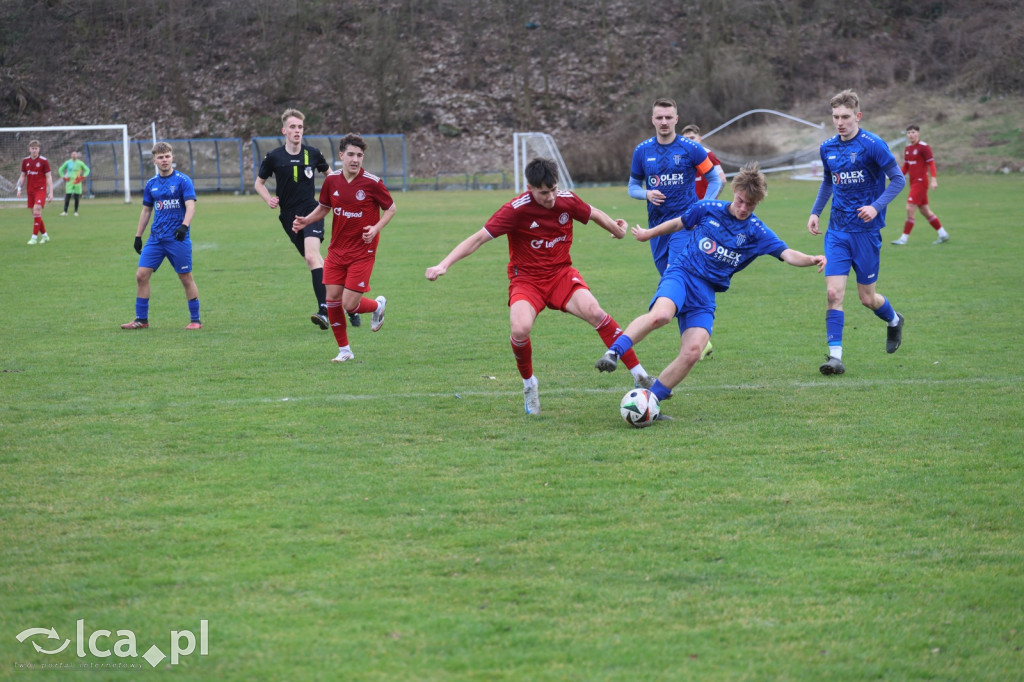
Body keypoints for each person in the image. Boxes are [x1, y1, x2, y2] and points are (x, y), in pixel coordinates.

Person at [426, 157, 654, 416]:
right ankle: (529, 384)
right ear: (530, 188)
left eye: (554, 189)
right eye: (544, 192)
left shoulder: (567, 200)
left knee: (595, 312)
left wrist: (617, 230)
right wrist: (444, 264)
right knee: (520, 329)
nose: (550, 197)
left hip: (560, 275)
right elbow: (478, 238)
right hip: (526, 280)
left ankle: (640, 375)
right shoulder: (515, 209)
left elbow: (594, 213)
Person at [596, 163, 826, 417]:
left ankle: (651, 402)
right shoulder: (708, 208)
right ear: (735, 192)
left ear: (757, 203)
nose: (742, 208)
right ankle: (613, 352)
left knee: (694, 351)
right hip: (682, 273)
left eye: (750, 205)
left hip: (706, 291)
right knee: (661, 315)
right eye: (740, 201)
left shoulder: (756, 231)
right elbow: (677, 224)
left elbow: (787, 253)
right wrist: (649, 234)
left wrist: (811, 258)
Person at [807, 89, 906, 375]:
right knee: (833, 294)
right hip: (837, 231)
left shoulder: (873, 145)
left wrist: (876, 207)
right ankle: (835, 358)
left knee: (867, 298)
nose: (840, 122)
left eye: (846, 117)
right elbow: (828, 181)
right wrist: (816, 212)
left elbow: (898, 180)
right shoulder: (827, 147)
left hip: (866, 232)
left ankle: (894, 320)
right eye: (836, 117)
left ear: (858, 116)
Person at [630, 100, 721, 360]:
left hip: (686, 225)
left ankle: (694, 339)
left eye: (668, 117)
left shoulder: (691, 148)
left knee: (674, 272)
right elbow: (632, 187)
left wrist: (703, 206)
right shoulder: (642, 151)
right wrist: (646, 193)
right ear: (652, 120)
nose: (664, 122)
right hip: (657, 228)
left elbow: (714, 178)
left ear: (676, 119)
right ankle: (696, 339)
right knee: (675, 284)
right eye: (659, 117)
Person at [292, 133, 394, 363]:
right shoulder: (332, 181)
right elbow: (324, 207)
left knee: (350, 304)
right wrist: (306, 220)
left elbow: (391, 208)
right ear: (341, 156)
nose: (355, 159)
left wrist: (376, 228)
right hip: (337, 250)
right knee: (332, 300)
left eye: (359, 155)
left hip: (362, 251)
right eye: (351, 154)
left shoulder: (372, 182)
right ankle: (345, 350)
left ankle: (378, 305)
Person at [255, 109, 361, 330]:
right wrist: (268, 200)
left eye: (300, 127)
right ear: (284, 130)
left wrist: (341, 198)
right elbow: (259, 183)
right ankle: (350, 305)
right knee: (318, 264)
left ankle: (325, 310)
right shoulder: (274, 157)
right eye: (293, 127)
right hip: (288, 217)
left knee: (313, 258)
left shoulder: (312, 153)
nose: (297, 131)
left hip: (311, 211)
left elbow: (332, 178)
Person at [120, 142, 202, 330]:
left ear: (172, 157)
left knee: (185, 277)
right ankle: (141, 320)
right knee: (141, 275)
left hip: (177, 238)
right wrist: (138, 236)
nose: (164, 160)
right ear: (154, 160)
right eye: (160, 157)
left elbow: (191, 206)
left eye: (167, 156)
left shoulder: (183, 180)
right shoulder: (151, 184)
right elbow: (146, 211)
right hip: (156, 239)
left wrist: (184, 226)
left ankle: (195, 320)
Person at [891, 124, 950, 245]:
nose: (911, 135)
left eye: (913, 132)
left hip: (921, 182)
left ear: (918, 133)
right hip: (913, 183)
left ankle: (903, 239)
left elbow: (931, 164)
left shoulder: (924, 147)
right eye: (909, 133)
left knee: (910, 207)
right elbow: (906, 167)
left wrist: (934, 179)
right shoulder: (907, 149)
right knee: (924, 210)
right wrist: (897, 176)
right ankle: (943, 234)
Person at [16, 140, 54, 245]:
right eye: (32, 148)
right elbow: (23, 175)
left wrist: (50, 192)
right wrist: (19, 188)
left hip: (40, 190)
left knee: (37, 209)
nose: (34, 150)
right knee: (35, 213)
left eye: (36, 148)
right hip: (30, 190)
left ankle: (34, 238)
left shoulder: (43, 161)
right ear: (29, 149)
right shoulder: (25, 161)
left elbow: (48, 177)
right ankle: (45, 236)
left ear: (39, 149)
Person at [681, 124, 727, 200]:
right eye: (686, 138)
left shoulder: (708, 154)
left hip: (704, 204)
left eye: (692, 138)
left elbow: (722, 179)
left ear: (699, 139)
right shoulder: (678, 157)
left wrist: (710, 199)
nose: (689, 141)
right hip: (687, 205)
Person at [58, 150, 90, 216]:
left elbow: (87, 170)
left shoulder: (80, 163)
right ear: (71, 155)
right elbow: (60, 169)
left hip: (77, 181)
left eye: (75, 154)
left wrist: (83, 177)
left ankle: (75, 211)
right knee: (68, 196)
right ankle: (65, 211)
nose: (74, 155)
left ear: (77, 155)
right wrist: (63, 177)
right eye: (73, 154)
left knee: (76, 197)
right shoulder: (68, 162)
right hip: (69, 181)